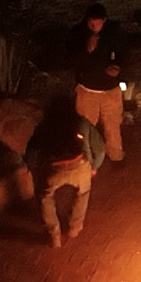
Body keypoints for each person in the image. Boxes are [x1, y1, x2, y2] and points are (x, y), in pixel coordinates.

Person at [34, 101, 106, 248]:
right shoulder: (81, 122)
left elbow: (34, 150)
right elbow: (100, 149)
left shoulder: (45, 125)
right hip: (79, 165)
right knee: (83, 193)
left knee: (45, 196)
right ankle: (74, 228)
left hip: (55, 168)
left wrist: (37, 170)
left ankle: (54, 235)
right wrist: (94, 166)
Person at [68, 1, 127, 168]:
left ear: (104, 20)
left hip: (110, 90)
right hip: (87, 90)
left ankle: (116, 157)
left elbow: (124, 53)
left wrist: (118, 67)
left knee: (113, 125)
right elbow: (71, 60)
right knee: (85, 129)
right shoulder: (78, 34)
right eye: (90, 22)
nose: (93, 25)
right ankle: (84, 161)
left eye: (97, 22)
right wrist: (88, 51)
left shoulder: (114, 33)